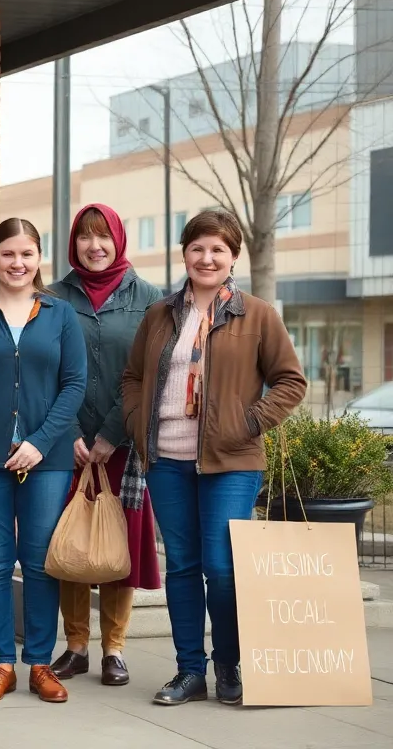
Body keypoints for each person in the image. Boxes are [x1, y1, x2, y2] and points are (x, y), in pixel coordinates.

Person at [121, 209, 306, 706]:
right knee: (181, 566)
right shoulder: (160, 314)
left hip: (232, 463)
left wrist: (245, 424)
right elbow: (133, 377)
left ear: (233, 257)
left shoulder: (257, 314)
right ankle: (189, 671)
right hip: (167, 461)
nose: (207, 258)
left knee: (222, 568)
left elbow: (291, 382)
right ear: (185, 253)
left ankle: (229, 664)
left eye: (217, 250)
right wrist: (140, 423)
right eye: (198, 248)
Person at [0, 218, 86, 705]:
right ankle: (1, 663)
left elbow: (74, 386)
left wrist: (42, 441)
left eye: (27, 254)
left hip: (46, 460)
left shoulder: (61, 315)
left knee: (41, 561)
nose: (18, 263)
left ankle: (40, 663)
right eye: (8, 254)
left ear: (39, 258)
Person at [46, 204, 163, 687]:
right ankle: (75, 646)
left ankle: (114, 648)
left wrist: (111, 434)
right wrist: (71, 430)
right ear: (72, 243)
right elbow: (46, 371)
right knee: (72, 541)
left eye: (103, 238)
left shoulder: (151, 299)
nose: (94, 247)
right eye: (84, 238)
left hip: (125, 444)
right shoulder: (51, 297)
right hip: (64, 442)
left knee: (119, 545)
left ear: (119, 240)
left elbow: (150, 372)